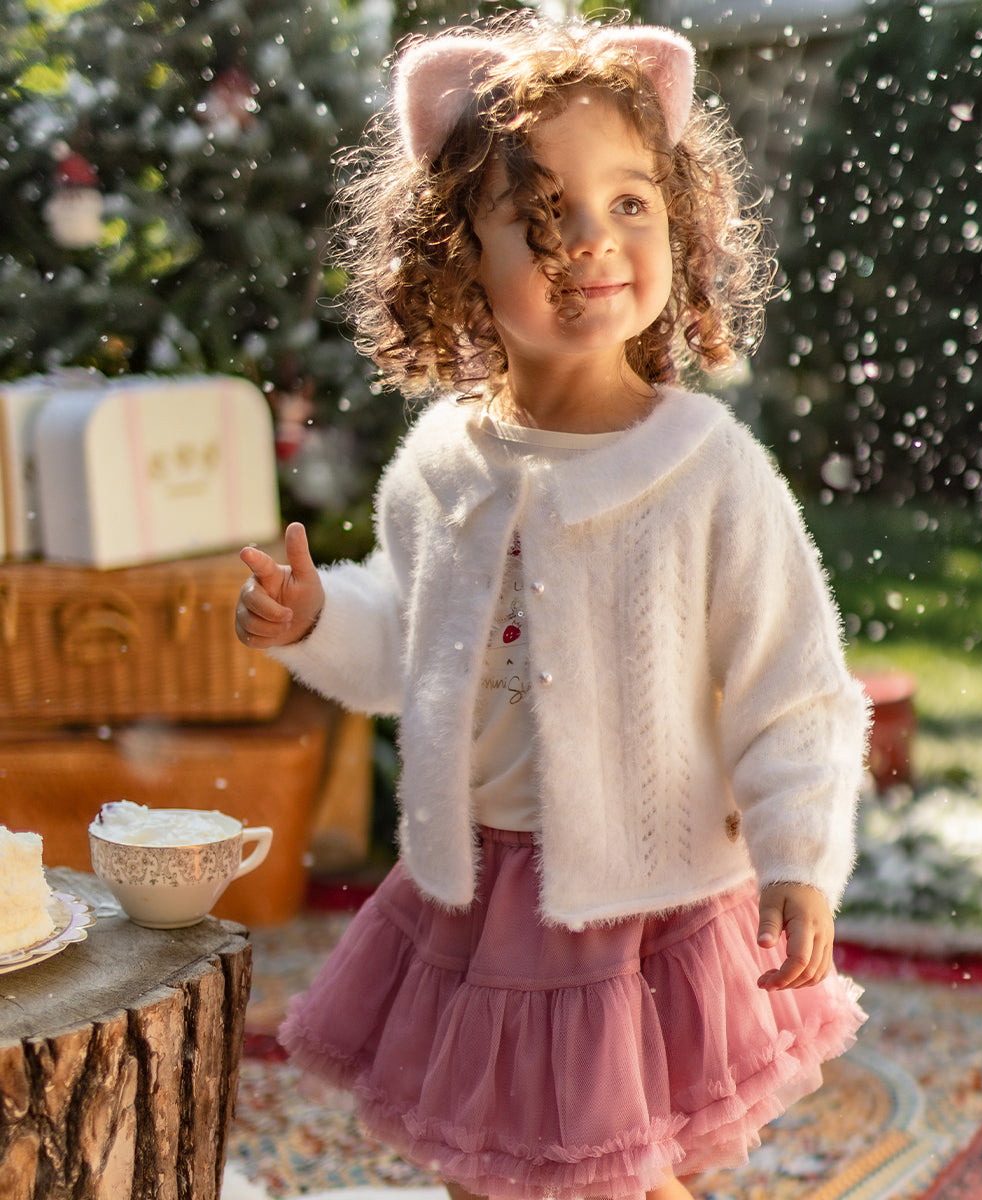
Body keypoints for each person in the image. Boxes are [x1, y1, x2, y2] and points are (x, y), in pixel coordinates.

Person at [235, 15, 869, 1200]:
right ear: (454, 254)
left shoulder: (704, 467)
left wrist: (798, 855)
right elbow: (408, 651)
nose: (591, 241)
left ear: (677, 219)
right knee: (488, 1167)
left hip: (648, 897)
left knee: (620, 1176)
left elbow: (793, 686)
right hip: (482, 895)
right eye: (540, 215)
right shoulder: (444, 461)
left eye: (630, 204)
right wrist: (319, 620)